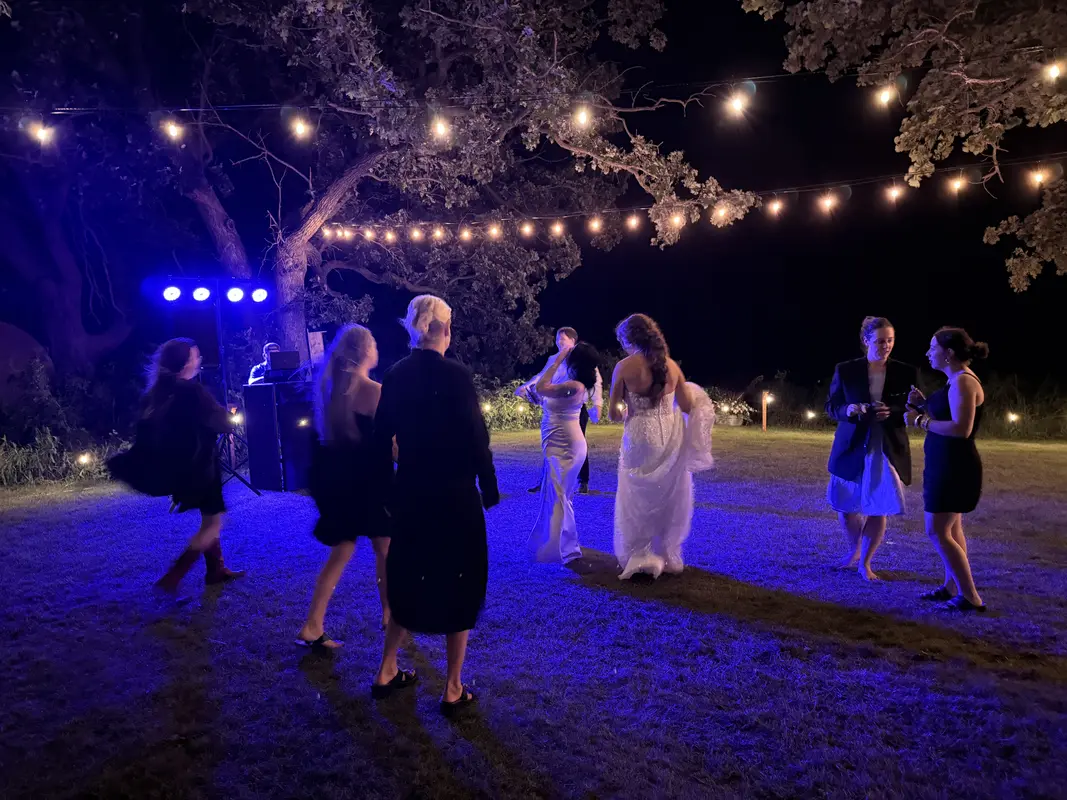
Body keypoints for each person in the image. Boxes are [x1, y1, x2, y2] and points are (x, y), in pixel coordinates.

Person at [371, 295, 499, 715]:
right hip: (453, 494)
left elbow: (379, 440)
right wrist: (489, 486)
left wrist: (385, 492)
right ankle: (452, 686)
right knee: (460, 581)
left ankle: (387, 668)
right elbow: (476, 437)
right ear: (444, 330)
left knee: (407, 576)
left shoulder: (394, 375)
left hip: (410, 493)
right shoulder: (457, 376)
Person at [108, 338, 244, 593]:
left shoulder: (156, 393)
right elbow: (223, 423)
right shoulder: (191, 392)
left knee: (209, 516)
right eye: (195, 356)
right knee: (213, 523)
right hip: (201, 468)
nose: (199, 359)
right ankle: (174, 576)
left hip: (184, 467)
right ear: (184, 363)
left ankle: (216, 570)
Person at [296, 325, 391, 650]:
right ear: (366, 351)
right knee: (385, 549)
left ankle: (313, 624)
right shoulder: (374, 390)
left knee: (343, 550)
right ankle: (390, 614)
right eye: (374, 342)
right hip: (371, 484)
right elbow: (390, 443)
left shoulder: (330, 389)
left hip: (340, 483)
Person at [609, 314, 714, 579]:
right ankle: (667, 553)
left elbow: (612, 413)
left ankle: (640, 553)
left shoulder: (623, 367)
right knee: (668, 493)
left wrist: (626, 413)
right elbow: (689, 407)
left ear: (630, 339)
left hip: (638, 436)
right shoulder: (672, 367)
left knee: (636, 496)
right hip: (669, 438)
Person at [825, 317, 918, 581]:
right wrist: (849, 409)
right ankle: (854, 551)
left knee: (879, 506)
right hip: (852, 446)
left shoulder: (906, 371)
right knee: (846, 506)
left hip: (886, 447)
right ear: (866, 341)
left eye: (890, 340)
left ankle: (866, 562)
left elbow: (914, 407)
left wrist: (893, 411)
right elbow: (832, 405)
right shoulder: (846, 370)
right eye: (880, 341)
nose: (886, 345)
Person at [905, 327, 989, 612]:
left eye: (933, 347)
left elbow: (961, 428)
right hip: (945, 463)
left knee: (937, 530)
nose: (928, 353)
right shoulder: (955, 380)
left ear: (949, 353)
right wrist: (924, 403)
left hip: (954, 466)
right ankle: (952, 588)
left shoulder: (964, 382)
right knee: (951, 528)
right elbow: (948, 413)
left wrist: (920, 422)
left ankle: (970, 597)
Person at [528, 342, 601, 564]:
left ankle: (563, 548)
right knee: (558, 493)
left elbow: (541, 386)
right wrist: (537, 398)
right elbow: (544, 395)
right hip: (557, 441)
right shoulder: (572, 384)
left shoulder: (576, 386)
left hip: (566, 445)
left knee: (559, 494)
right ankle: (560, 543)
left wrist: (557, 360)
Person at [517, 327, 602, 494]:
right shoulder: (554, 358)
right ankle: (546, 480)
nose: (558, 343)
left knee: (576, 442)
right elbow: (541, 377)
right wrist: (525, 387)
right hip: (553, 406)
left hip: (574, 407)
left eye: (562, 340)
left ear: (572, 341)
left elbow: (596, 382)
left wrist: (597, 405)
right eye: (557, 339)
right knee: (551, 446)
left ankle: (582, 480)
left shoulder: (581, 360)